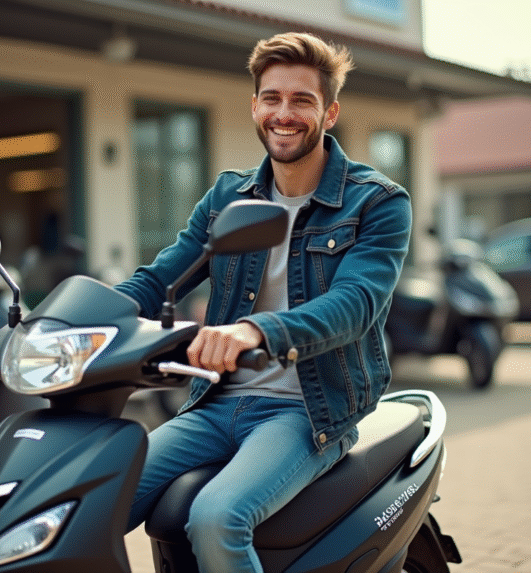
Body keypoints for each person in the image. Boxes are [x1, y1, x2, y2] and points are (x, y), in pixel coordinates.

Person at [116, 31, 412, 573]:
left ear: (329, 113)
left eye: (303, 100)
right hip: (216, 402)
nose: (285, 113)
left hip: (308, 408)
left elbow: (356, 304)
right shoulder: (229, 197)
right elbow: (160, 277)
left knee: (215, 516)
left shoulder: (378, 202)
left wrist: (255, 330)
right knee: (99, 495)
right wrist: (68, 321)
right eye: (272, 98)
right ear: (255, 106)